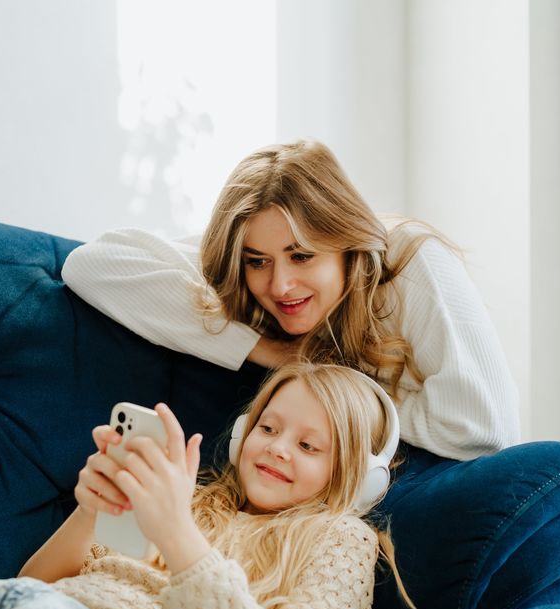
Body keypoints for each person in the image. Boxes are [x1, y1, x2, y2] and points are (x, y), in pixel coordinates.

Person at [61, 137, 522, 513]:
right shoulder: (256, 255)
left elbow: (483, 427)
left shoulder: (412, 266)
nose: (280, 285)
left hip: (416, 486)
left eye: (302, 256)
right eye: (258, 261)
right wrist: (270, 350)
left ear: (346, 243)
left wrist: (355, 398)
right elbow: (91, 266)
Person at [0, 362, 414, 609]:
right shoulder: (186, 500)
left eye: (309, 444)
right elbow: (37, 581)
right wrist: (97, 507)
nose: (277, 449)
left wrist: (175, 535)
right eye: (268, 428)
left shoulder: (340, 538)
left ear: (354, 477)